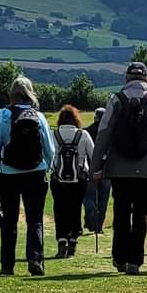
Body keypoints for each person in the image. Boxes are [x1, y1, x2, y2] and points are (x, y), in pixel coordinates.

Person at [90, 62, 147, 275]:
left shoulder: (116, 100)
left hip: (119, 168)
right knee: (141, 215)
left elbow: (104, 133)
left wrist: (96, 166)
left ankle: (119, 256)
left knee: (122, 212)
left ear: (126, 78)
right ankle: (135, 260)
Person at [0, 77, 55, 276]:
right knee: (35, 220)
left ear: (12, 94)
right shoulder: (38, 116)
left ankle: (7, 266)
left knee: (9, 221)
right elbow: (49, 149)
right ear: (30, 93)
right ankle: (36, 260)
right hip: (36, 173)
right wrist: (48, 167)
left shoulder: (2, 115)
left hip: (8, 174)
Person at [50, 104, 95, 258]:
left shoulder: (54, 135)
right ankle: (73, 241)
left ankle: (61, 241)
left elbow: (48, 155)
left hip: (58, 179)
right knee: (75, 209)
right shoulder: (83, 135)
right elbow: (93, 154)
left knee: (60, 209)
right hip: (79, 179)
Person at [83, 107, 111, 234]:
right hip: (106, 170)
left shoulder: (86, 131)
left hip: (90, 169)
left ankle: (91, 214)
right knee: (103, 198)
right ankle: (99, 225)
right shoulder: (109, 132)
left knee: (89, 197)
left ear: (95, 117)